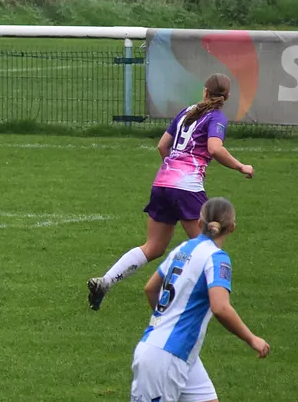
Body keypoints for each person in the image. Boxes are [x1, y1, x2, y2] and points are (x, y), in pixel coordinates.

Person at [50, 197, 269, 402]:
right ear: (232, 227)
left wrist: (164, 322)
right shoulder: (218, 259)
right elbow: (220, 307)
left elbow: (150, 288)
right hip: (167, 355)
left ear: (202, 221)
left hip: (174, 352)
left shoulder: (183, 248)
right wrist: (252, 339)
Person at [88, 73, 253, 310]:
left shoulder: (187, 111)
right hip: (186, 188)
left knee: (153, 247)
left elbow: (162, 145)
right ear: (227, 97)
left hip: (162, 183)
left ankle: (105, 282)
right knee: (208, 247)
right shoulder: (216, 117)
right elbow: (214, 148)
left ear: (205, 91)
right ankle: (203, 300)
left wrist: (172, 170)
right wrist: (241, 166)